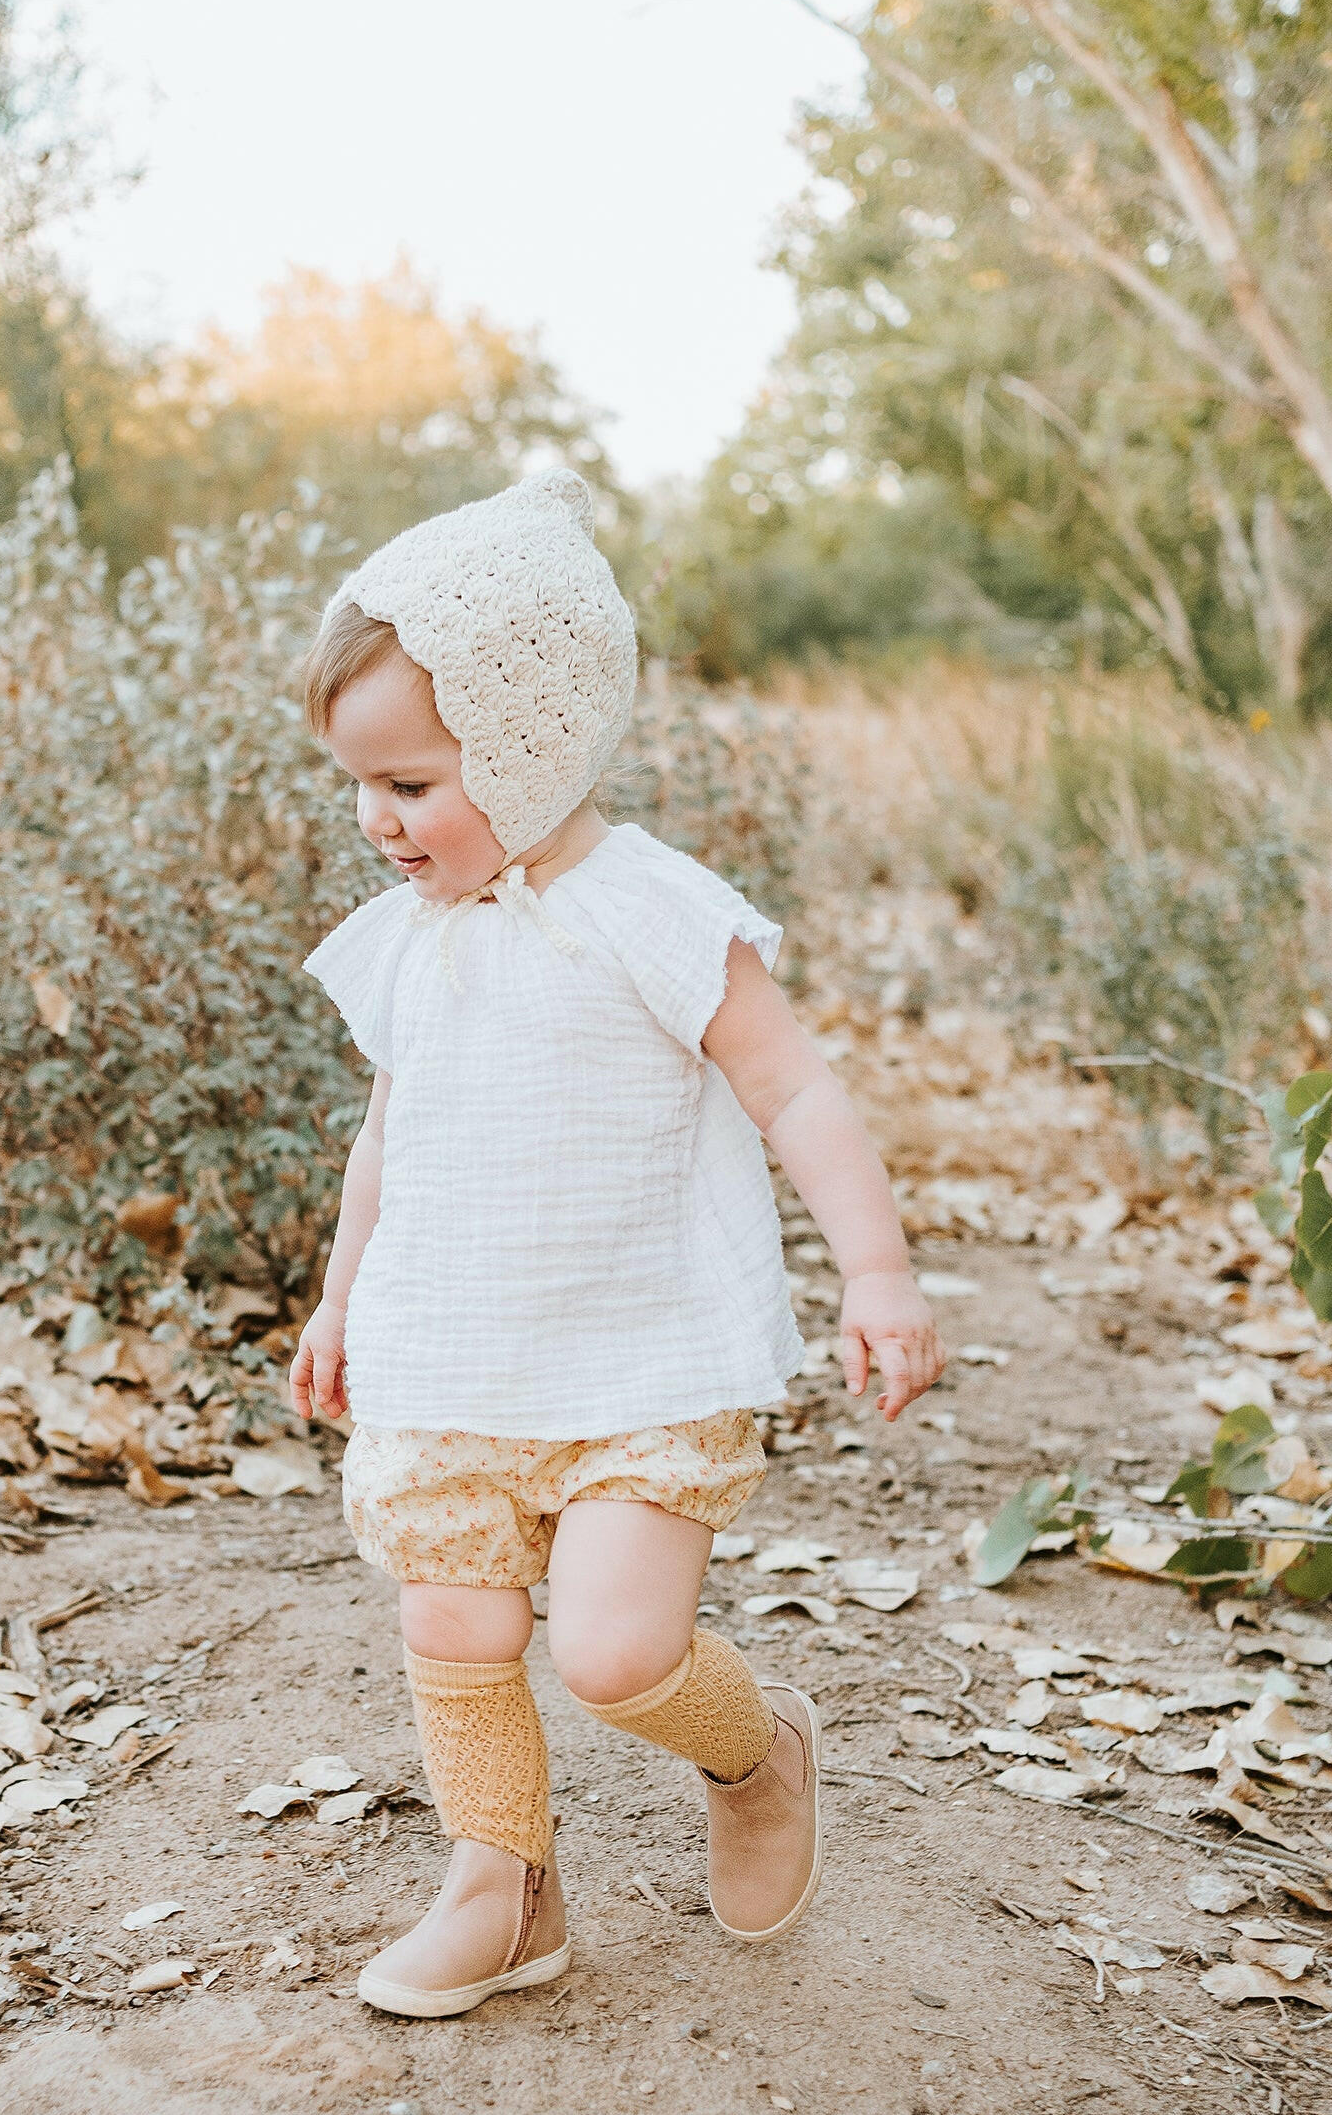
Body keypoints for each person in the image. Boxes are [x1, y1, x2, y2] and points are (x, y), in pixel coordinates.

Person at [289, 470, 943, 2020]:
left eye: (410, 784)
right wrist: (340, 1299)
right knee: (448, 1613)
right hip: (451, 1356)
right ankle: (499, 1890)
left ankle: (755, 1749)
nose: (377, 823)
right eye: (358, 789)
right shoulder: (414, 944)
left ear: (525, 748)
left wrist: (881, 1271)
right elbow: (393, 1132)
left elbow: (792, 1088)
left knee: (610, 1653)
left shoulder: (650, 910)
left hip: (641, 1360)